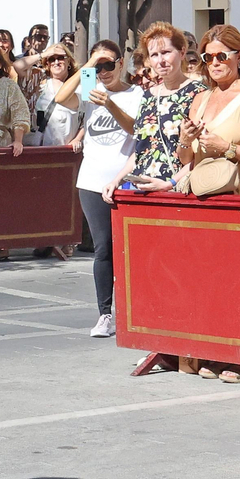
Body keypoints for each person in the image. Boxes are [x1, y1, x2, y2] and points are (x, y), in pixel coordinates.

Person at [57, 41, 141, 338]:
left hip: (125, 181)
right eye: (99, 66)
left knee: (129, 250)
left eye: (108, 64)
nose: (103, 71)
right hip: (91, 181)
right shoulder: (91, 86)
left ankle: (135, 310)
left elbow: (135, 129)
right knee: (103, 248)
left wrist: (110, 104)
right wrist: (88, 64)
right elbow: (61, 97)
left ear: (121, 63)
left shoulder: (135, 94)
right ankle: (105, 314)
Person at [177, 26, 240, 215]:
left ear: (239, 56)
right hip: (209, 193)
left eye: (221, 56)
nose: (214, 63)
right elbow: (186, 159)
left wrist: (226, 147)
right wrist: (185, 141)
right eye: (208, 58)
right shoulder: (200, 99)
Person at [111, 23, 205, 193]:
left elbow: (202, 155)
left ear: (182, 52)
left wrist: (170, 183)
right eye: (154, 55)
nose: (160, 61)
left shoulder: (198, 93)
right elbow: (143, 148)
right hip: (141, 189)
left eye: (166, 52)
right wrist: (116, 180)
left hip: (177, 191)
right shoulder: (148, 95)